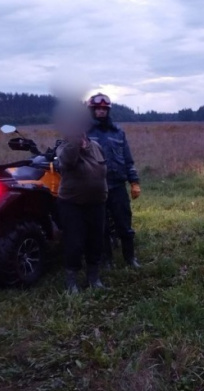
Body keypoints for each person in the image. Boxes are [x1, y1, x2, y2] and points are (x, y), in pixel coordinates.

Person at [55, 104, 109, 293]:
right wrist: (75, 140)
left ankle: (94, 278)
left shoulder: (96, 146)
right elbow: (68, 160)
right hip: (72, 205)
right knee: (75, 243)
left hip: (97, 203)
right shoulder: (64, 147)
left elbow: (102, 169)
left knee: (96, 241)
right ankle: (71, 282)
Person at [86, 92, 142, 268]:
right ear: (92, 110)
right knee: (100, 227)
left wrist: (134, 182)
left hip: (117, 186)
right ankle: (106, 260)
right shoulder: (84, 133)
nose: (101, 111)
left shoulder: (118, 132)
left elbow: (128, 160)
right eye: (98, 109)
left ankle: (130, 258)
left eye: (104, 109)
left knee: (124, 224)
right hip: (95, 188)